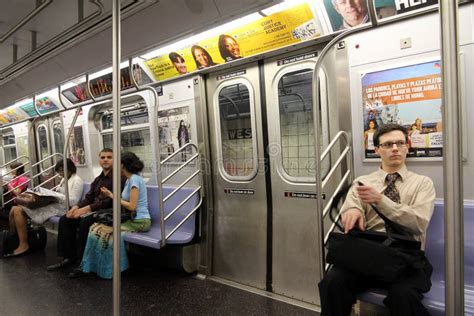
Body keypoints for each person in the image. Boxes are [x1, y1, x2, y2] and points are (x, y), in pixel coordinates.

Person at [319, 124, 435, 316]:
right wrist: (353, 210)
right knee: (333, 282)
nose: (395, 148)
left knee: (404, 296)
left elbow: (418, 224)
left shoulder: (423, 183)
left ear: (407, 146)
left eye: (399, 143)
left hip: (406, 259)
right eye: (388, 144)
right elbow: (352, 205)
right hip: (369, 256)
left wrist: (381, 201)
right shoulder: (362, 182)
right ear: (377, 150)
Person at [46, 148, 124, 273]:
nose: (105, 160)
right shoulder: (98, 179)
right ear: (99, 160)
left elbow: (111, 201)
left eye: (109, 157)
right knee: (66, 219)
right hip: (95, 210)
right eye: (103, 157)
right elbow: (89, 197)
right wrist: (77, 207)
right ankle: (69, 257)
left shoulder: (120, 178)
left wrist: (87, 208)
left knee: (85, 223)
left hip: (110, 210)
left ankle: (84, 262)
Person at [76, 152, 151, 279]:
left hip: (140, 221)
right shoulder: (130, 179)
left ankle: (110, 269)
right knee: (95, 228)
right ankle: (92, 265)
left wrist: (112, 196)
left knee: (103, 232)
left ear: (122, 165)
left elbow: (132, 206)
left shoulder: (134, 180)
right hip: (133, 219)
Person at [7, 159, 84, 257]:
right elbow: (60, 192)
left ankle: (23, 244)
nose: (60, 173)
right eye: (59, 171)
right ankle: (15, 239)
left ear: (70, 169)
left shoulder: (77, 181)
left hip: (64, 208)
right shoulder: (64, 179)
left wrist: (57, 196)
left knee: (18, 210)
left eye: (62, 170)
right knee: (14, 208)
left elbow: (73, 201)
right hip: (56, 204)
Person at [331, 0, 396, 30]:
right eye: (343, 2)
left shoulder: (394, 13)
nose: (349, 5)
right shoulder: (336, 39)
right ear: (337, 9)